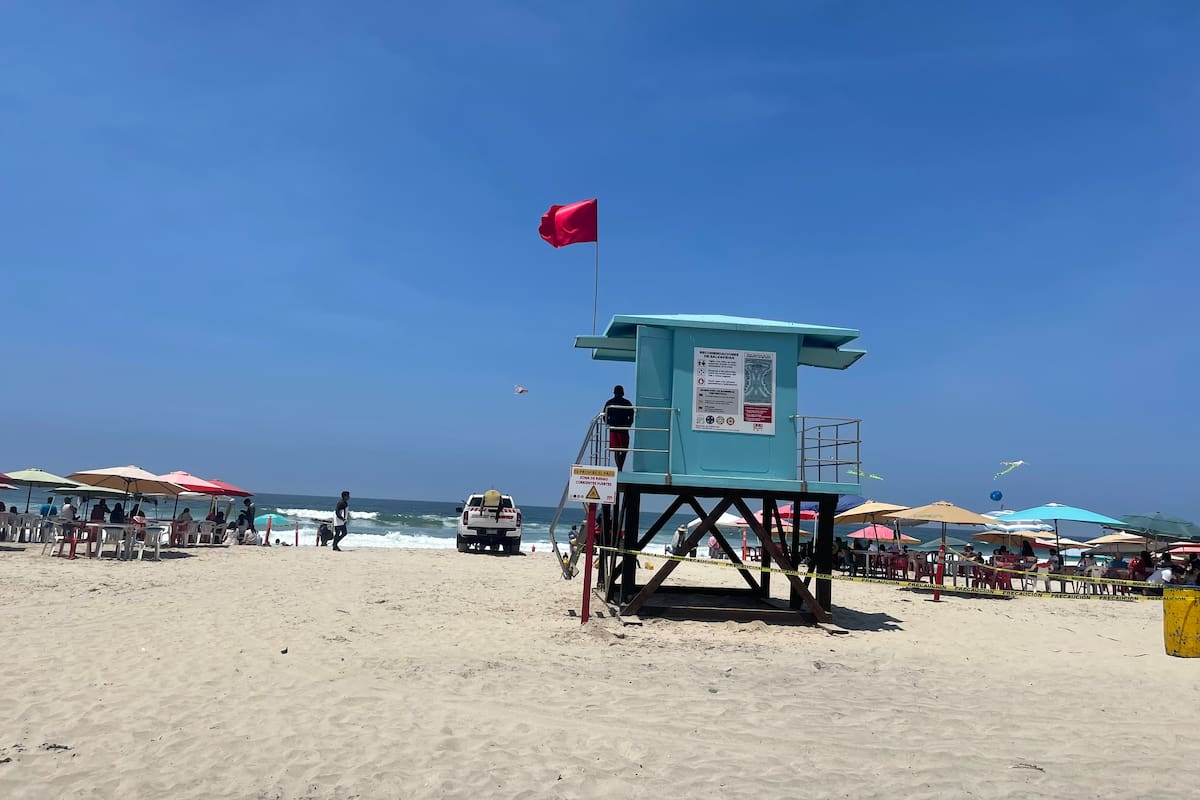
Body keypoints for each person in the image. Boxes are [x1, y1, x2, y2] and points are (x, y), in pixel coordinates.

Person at [603, 385, 635, 470]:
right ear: (622, 393)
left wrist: (609, 424)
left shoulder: (609, 402)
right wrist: (628, 424)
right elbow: (631, 415)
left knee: (616, 450)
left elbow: (604, 416)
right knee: (624, 449)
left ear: (614, 392)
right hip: (623, 429)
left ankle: (619, 467)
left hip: (613, 429)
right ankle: (620, 467)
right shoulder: (627, 403)